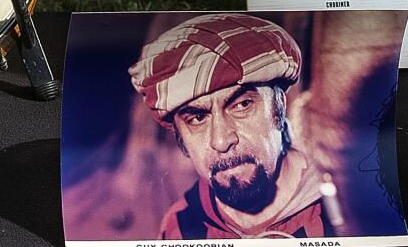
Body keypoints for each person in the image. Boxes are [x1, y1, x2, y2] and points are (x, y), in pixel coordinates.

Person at [129, 13, 335, 240]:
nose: (221, 140)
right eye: (197, 119)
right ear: (181, 140)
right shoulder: (180, 227)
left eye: (242, 105)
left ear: (278, 108)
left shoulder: (347, 205)